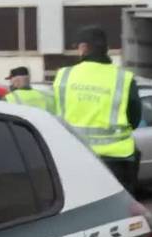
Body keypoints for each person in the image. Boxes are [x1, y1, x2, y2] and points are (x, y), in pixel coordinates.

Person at [54, 26, 143, 192]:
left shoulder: (64, 76)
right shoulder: (123, 78)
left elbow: (54, 112)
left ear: (83, 48)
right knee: (120, 211)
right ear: (106, 49)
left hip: (75, 156)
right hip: (117, 159)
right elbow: (135, 118)